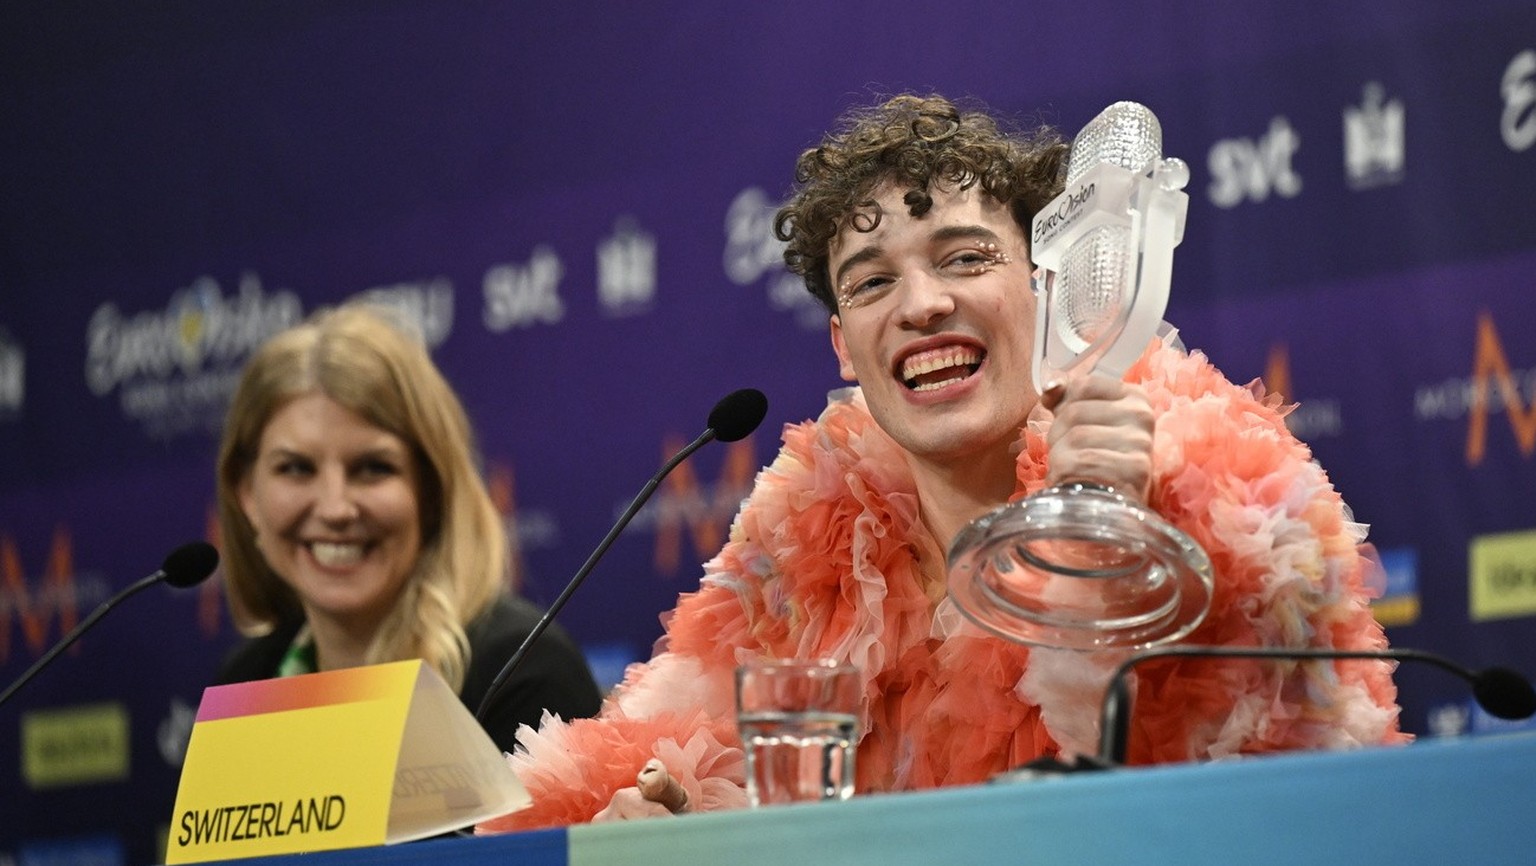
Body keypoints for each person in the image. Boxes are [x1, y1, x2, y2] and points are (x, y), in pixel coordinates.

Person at [478, 93, 1405, 830]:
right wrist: (663, 813)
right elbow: (643, 766)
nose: (920, 305)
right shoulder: (803, 535)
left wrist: (1108, 553)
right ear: (845, 348)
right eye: (874, 281)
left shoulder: (1219, 486)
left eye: (963, 259)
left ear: (1044, 290)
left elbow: (1302, 814)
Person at [213, 303, 603, 754]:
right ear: (247, 494)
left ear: (431, 490)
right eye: (296, 468)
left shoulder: (520, 669)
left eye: (372, 468)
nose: (336, 507)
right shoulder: (245, 685)